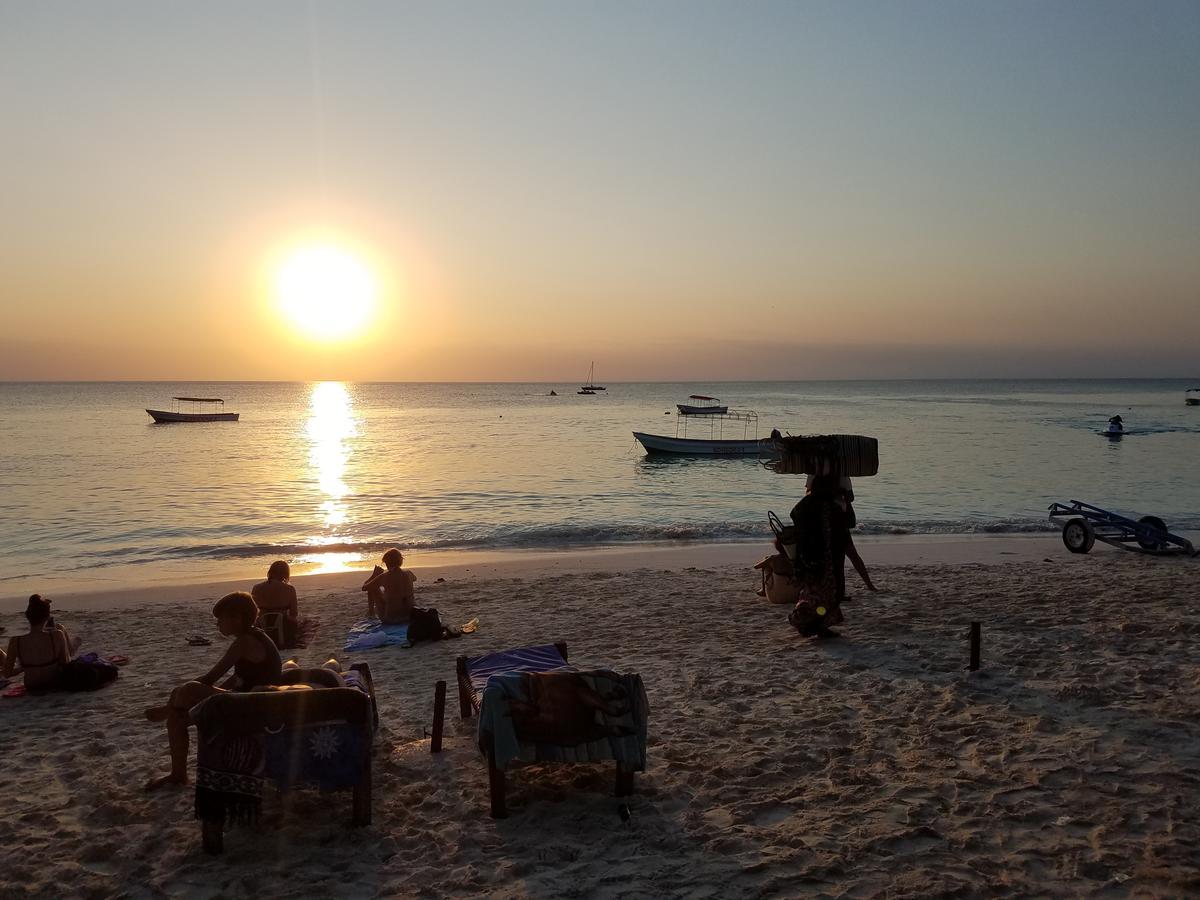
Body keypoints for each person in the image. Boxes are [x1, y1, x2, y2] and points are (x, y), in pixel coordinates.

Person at [144, 591, 282, 790]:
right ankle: (172, 719)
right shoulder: (255, 636)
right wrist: (204, 691)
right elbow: (236, 678)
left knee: (186, 692)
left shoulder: (243, 642)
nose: (218, 625)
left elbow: (211, 677)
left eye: (220, 620)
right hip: (252, 697)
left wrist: (195, 691)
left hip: (255, 703)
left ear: (237, 619)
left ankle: (178, 771)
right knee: (179, 702)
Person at [788, 475, 850, 638]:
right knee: (828, 595)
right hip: (826, 558)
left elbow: (794, 516)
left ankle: (808, 622)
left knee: (810, 593)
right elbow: (849, 522)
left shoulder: (802, 506)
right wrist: (847, 501)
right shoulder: (829, 507)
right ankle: (816, 625)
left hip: (806, 557)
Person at [805, 473, 877, 593]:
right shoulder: (842, 474)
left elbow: (808, 493)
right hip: (837, 519)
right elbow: (850, 498)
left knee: (825, 555)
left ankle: (824, 588)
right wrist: (839, 494)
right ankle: (868, 585)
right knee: (850, 553)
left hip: (819, 518)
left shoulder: (814, 472)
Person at [2, 596, 72, 690]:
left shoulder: (15, 641)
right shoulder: (57, 635)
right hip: (53, 683)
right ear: (47, 617)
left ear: (27, 616)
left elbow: (7, 674)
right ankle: (75, 645)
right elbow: (65, 664)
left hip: (31, 686)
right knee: (65, 633)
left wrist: (24, 668)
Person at [360, 548, 417, 625]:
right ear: (400, 561)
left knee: (373, 588)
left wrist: (374, 575)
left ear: (386, 562)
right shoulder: (409, 573)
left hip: (391, 619)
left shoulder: (384, 576)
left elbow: (365, 587)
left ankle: (371, 612)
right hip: (409, 616)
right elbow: (414, 579)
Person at [251, 560, 300, 647]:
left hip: (261, 624)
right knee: (299, 623)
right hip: (283, 624)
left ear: (270, 571)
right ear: (285, 574)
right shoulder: (290, 589)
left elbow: (253, 611)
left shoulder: (257, 588)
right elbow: (294, 613)